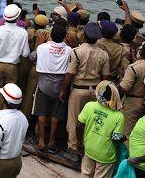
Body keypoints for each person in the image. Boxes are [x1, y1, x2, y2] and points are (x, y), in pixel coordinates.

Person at [60, 22, 110, 163]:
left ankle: (73, 149)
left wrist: (63, 89)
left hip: (78, 90)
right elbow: (105, 77)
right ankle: (86, 147)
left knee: (74, 121)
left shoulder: (76, 51)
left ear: (85, 36)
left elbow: (70, 74)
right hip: (95, 91)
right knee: (90, 122)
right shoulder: (103, 54)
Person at [29, 24, 70, 153]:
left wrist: (40, 44)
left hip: (43, 84)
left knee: (41, 112)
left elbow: (32, 57)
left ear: (51, 35)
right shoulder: (69, 49)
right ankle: (51, 141)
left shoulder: (42, 47)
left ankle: (41, 141)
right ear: (64, 37)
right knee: (55, 115)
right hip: (60, 85)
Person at [0, 4, 30, 117]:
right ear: (17, 17)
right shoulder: (23, 32)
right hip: (13, 67)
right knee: (10, 96)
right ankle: (7, 120)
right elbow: (25, 53)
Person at [77, 81, 125, 178]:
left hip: (89, 148)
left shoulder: (89, 105)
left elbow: (79, 125)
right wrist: (124, 138)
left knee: (86, 174)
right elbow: (116, 138)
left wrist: (79, 142)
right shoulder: (119, 116)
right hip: (106, 155)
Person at [0, 83, 28, 178]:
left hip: (2, 164)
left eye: (1, 95)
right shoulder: (23, 118)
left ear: (3, 99)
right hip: (17, 161)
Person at [119, 43, 145, 137]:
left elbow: (124, 87)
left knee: (127, 132)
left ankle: (129, 151)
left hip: (133, 103)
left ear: (141, 52)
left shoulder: (134, 67)